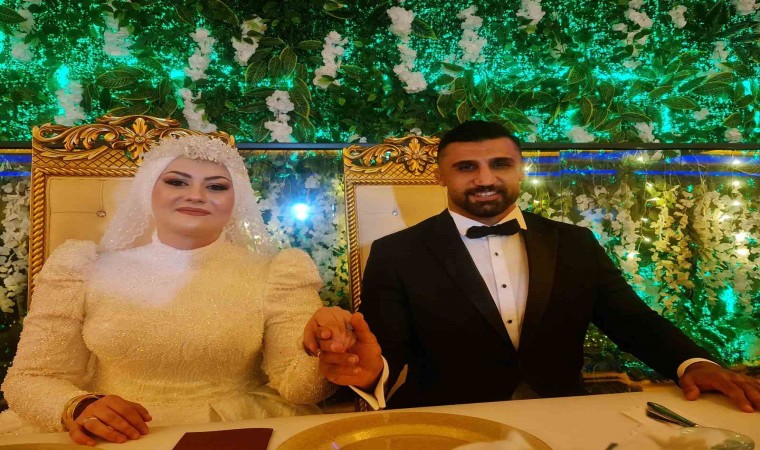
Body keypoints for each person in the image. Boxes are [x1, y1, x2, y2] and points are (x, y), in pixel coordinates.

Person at [310, 120, 760, 412]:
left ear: (521, 169)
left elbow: (631, 320)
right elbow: (384, 347)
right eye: (466, 167)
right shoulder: (396, 252)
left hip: (562, 415)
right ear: (440, 175)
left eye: (499, 164)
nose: (485, 178)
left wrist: (691, 363)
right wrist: (372, 373)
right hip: (451, 420)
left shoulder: (574, 243)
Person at [0, 135, 353, 445]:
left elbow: (300, 388)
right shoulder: (81, 268)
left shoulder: (279, 272)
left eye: (216, 187)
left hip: (236, 431)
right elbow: (31, 378)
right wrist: (78, 407)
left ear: (237, 201)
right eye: (176, 182)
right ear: (147, 191)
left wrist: (326, 354)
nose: (196, 195)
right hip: (115, 436)